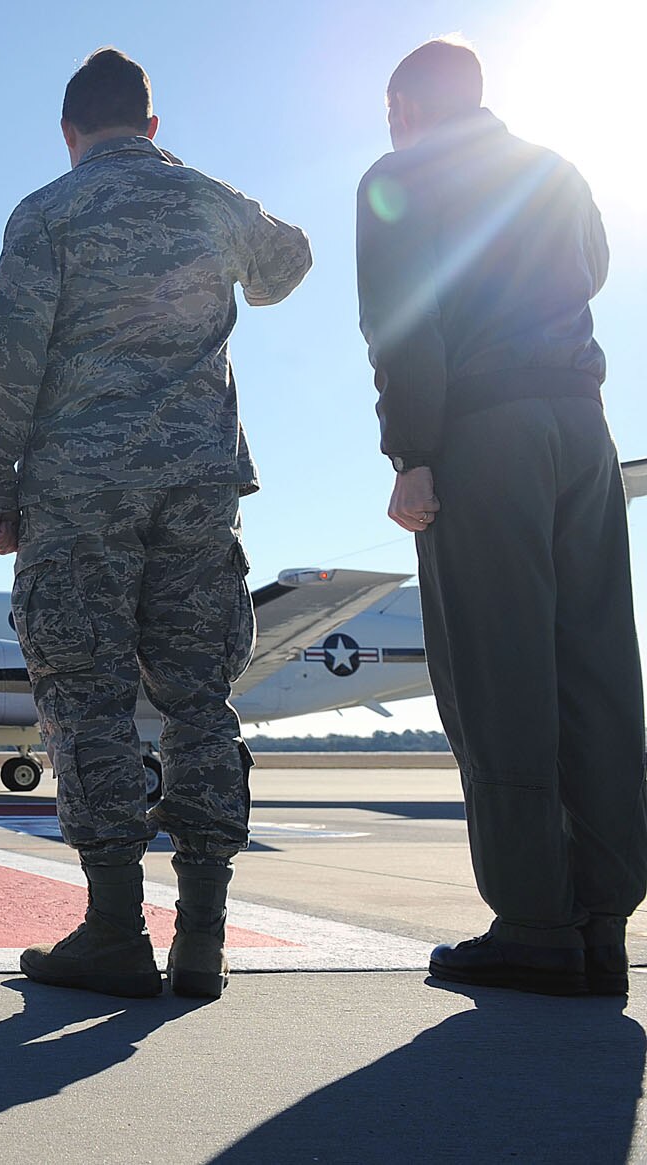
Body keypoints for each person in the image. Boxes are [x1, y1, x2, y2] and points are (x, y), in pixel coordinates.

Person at [0, 48, 310, 999]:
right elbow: (289, 263)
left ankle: (115, 928)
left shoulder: (48, 212)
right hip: (199, 484)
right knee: (199, 696)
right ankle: (203, 939)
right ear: (152, 126)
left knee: (87, 693)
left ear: (70, 134)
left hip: (82, 491)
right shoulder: (209, 198)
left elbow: (8, 357)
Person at [357, 38, 645, 997]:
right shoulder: (555, 171)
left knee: (499, 668)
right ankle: (603, 918)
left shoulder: (400, 174)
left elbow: (401, 320)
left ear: (404, 106)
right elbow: (595, 269)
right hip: (584, 427)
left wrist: (414, 454)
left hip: (487, 435)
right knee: (598, 662)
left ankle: (533, 921)